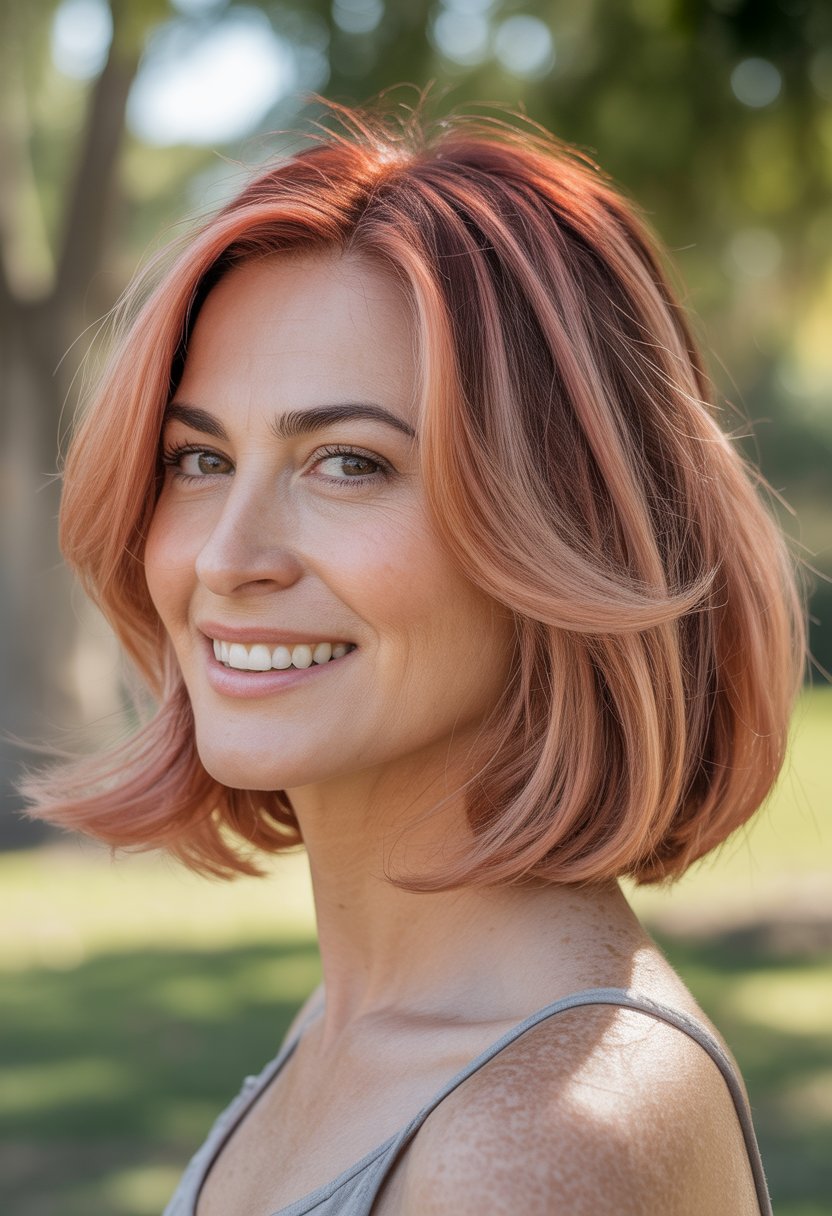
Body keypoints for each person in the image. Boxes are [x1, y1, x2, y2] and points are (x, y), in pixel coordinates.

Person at [24, 101, 805, 1215]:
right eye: (198, 457)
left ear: (566, 524)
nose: (226, 557)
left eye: (346, 461)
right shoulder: (367, 1023)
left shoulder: (530, 1143)